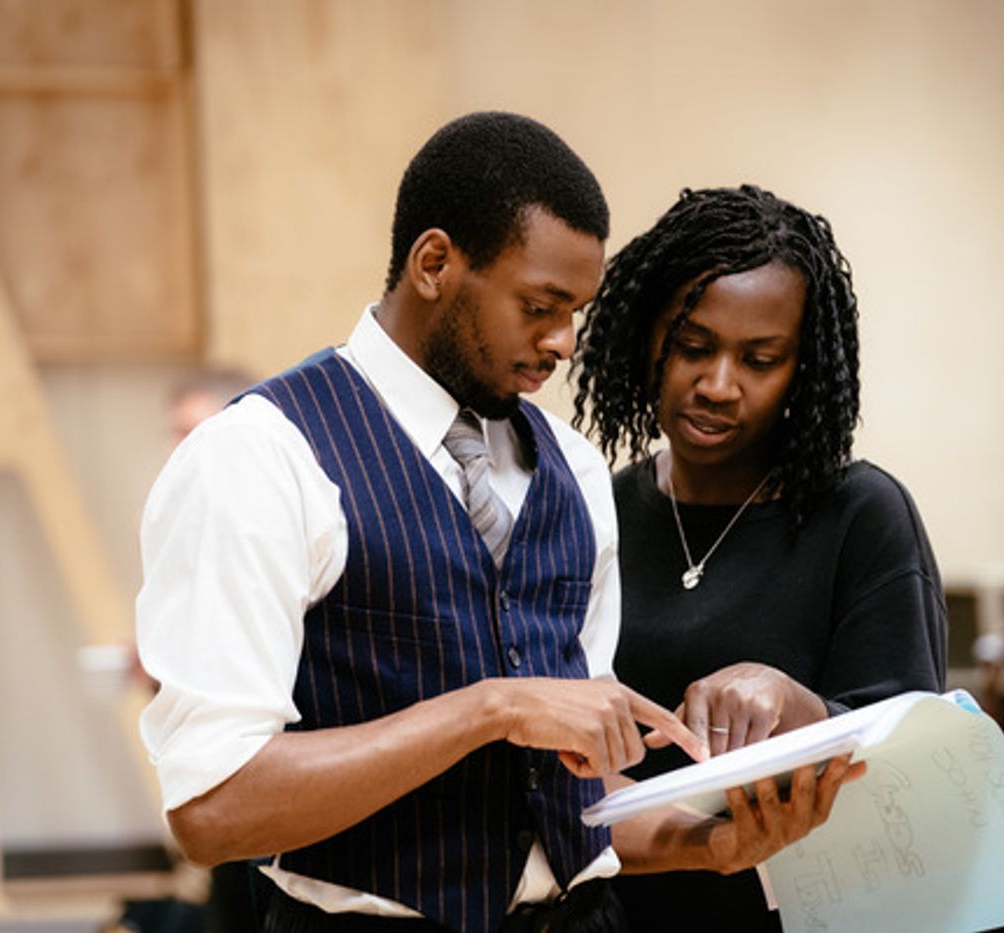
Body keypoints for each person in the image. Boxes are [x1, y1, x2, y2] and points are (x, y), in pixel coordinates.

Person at [135, 115, 849, 933]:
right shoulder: (258, 458)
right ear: (434, 262)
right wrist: (491, 707)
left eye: (575, 310)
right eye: (540, 307)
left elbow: (573, 799)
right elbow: (212, 807)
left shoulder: (577, 473)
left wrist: (712, 843)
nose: (563, 343)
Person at [572, 185, 948, 931]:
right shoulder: (594, 514)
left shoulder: (860, 516)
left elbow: (918, 765)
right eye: (694, 346)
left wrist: (792, 703)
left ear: (801, 372)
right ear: (649, 338)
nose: (718, 385)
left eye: (760, 359)